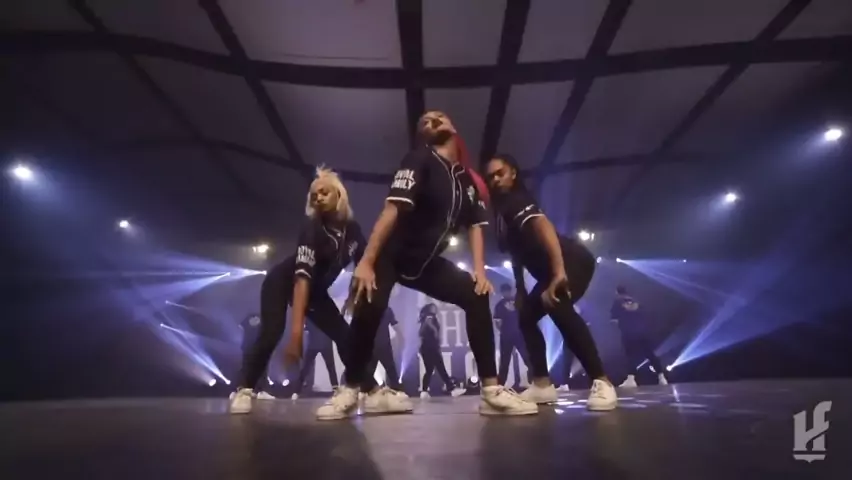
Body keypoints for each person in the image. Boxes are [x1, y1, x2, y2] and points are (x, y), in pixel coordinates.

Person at [317, 111, 538, 420]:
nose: (431, 120)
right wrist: (366, 261)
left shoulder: (466, 181)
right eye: (424, 121)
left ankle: (491, 392)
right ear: (422, 135)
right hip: (391, 254)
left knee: (476, 295)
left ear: (453, 127)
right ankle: (351, 389)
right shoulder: (418, 159)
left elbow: (476, 225)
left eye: (438, 117)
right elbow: (392, 209)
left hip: (424, 262)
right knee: (369, 306)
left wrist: (480, 271)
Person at [230, 167, 403, 415]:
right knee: (271, 333)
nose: (318, 198)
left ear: (339, 195)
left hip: (316, 290)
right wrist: (296, 333)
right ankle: (244, 389)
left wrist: (360, 295)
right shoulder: (312, 228)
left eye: (324, 192)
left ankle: (372, 391)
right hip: (283, 282)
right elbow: (302, 280)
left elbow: (364, 264)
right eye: (314, 195)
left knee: (344, 335)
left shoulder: (352, 229)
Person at [484, 154, 617, 411]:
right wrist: (520, 290)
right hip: (549, 272)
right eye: (490, 177)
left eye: (500, 173)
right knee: (525, 316)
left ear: (513, 173)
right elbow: (517, 254)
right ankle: (542, 385)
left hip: (572, 261)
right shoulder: (501, 214)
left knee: (557, 305)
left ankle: (602, 381)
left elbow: (543, 226)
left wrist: (558, 273)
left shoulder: (517, 199)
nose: (495, 180)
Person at [611, 285, 668, 387]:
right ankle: (661, 377)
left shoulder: (617, 301)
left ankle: (631, 379)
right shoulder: (636, 300)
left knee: (630, 356)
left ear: (616, 292)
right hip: (643, 331)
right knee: (650, 354)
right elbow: (646, 314)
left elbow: (614, 319)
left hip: (628, 332)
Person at [418, 303, 465, 398]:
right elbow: (427, 327)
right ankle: (452, 389)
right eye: (433, 307)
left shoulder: (427, 317)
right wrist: (435, 331)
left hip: (426, 348)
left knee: (430, 370)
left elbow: (421, 332)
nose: (435, 309)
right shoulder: (430, 317)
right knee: (440, 368)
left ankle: (424, 391)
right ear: (429, 309)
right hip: (431, 347)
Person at [493, 283, 530, 388]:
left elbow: (524, 317)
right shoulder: (500, 305)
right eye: (505, 291)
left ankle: (535, 379)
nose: (506, 293)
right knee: (505, 361)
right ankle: (500, 384)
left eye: (507, 291)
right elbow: (497, 322)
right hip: (509, 336)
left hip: (518, 335)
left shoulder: (515, 302)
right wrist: (504, 330)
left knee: (527, 357)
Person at [291, 319, 339, 399]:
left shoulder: (314, 316)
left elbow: (307, 326)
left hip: (319, 343)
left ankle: (296, 391)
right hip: (320, 343)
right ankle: (296, 390)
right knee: (330, 367)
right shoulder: (323, 316)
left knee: (308, 367)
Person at [236, 313, 276, 400]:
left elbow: (241, 327)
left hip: (251, 346)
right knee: (256, 369)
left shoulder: (251, 317)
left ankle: (251, 391)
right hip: (254, 346)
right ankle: (254, 391)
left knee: (250, 369)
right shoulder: (262, 317)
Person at [369, 307, 402, 390]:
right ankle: (396, 390)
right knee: (391, 371)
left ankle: (371, 390)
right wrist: (401, 337)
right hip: (383, 344)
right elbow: (395, 325)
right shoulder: (387, 309)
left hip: (373, 346)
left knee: (369, 371)